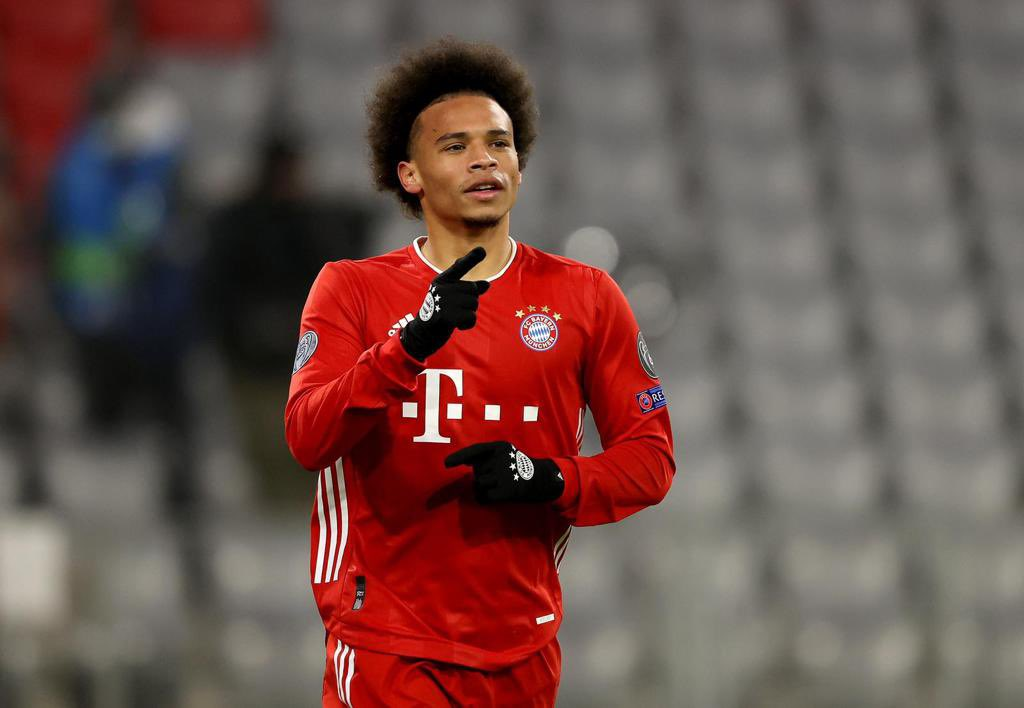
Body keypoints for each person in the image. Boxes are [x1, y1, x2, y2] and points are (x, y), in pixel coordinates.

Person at [285, 38, 675, 707]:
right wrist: (411, 343)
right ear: (410, 175)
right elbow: (307, 436)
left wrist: (547, 477)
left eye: (499, 142)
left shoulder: (586, 297)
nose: (484, 158)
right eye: (456, 145)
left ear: (520, 164)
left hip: (523, 648)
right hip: (389, 648)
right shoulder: (351, 290)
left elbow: (650, 461)